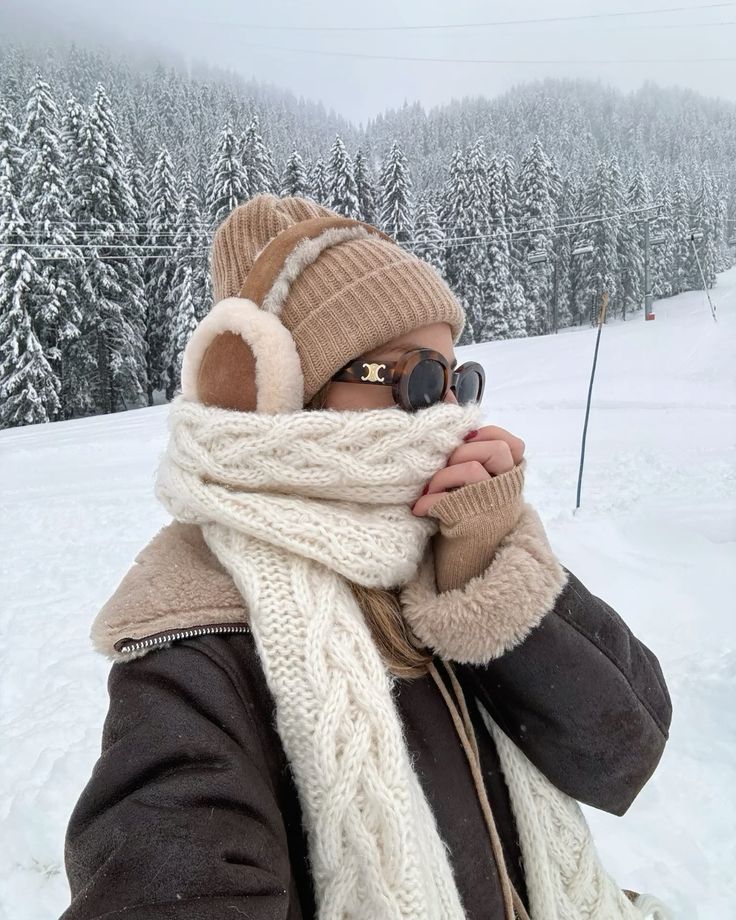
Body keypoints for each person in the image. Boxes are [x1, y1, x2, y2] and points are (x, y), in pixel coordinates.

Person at [60, 194, 672, 920]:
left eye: (460, 381)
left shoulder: (449, 542)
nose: (450, 415)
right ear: (280, 393)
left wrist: (492, 577)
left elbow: (625, 753)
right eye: (416, 381)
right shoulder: (197, 635)